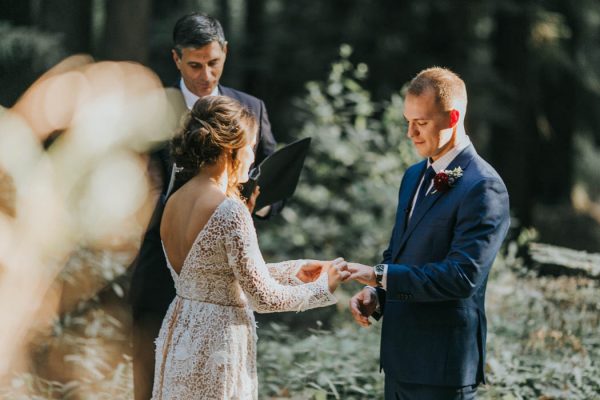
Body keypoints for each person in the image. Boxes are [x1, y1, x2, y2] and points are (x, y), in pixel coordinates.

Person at [151, 95, 347, 399]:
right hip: (217, 341)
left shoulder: (174, 200)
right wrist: (321, 289)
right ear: (231, 147)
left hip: (181, 332)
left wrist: (294, 270)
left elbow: (217, 275)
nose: (253, 157)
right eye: (251, 146)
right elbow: (263, 297)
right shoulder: (229, 210)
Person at [129, 12, 281, 400]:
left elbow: (274, 181)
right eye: (195, 65)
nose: (206, 75)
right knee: (150, 385)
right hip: (159, 269)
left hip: (223, 282)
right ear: (176, 59)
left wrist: (256, 206)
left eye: (214, 63)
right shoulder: (149, 113)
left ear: (225, 53)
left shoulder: (251, 109)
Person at [346, 67, 510, 400]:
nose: (411, 134)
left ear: (452, 117)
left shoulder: (484, 186)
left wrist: (379, 275)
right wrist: (379, 295)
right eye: (408, 122)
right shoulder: (413, 176)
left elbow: (461, 276)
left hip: (442, 366)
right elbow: (399, 252)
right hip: (398, 360)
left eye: (421, 123)